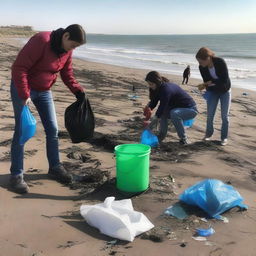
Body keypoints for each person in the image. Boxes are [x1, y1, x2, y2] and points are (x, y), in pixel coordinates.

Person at [10, 24, 86, 194]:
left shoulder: (67, 50)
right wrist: (24, 94)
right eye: (73, 45)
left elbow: (67, 74)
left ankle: (55, 166)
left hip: (44, 91)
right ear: (66, 36)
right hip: (23, 89)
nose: (73, 49)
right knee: (22, 131)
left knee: (53, 129)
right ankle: (16, 174)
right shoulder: (41, 40)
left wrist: (78, 90)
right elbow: (19, 68)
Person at [143, 71, 198, 145]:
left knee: (173, 113)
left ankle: (184, 139)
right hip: (177, 109)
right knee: (163, 114)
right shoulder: (159, 88)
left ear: (157, 82)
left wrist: (153, 121)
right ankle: (161, 137)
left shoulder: (166, 90)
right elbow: (154, 101)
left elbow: (162, 105)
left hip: (191, 110)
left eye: (151, 84)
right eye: (149, 84)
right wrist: (149, 108)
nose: (150, 86)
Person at [196, 47, 231, 146]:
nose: (200, 63)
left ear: (208, 58)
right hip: (213, 91)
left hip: (225, 90)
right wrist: (204, 86)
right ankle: (208, 134)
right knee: (210, 114)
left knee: (225, 116)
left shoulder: (220, 62)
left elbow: (224, 80)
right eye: (198, 61)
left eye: (201, 61)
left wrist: (210, 82)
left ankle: (224, 138)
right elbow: (206, 80)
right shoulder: (201, 67)